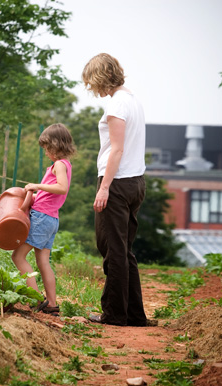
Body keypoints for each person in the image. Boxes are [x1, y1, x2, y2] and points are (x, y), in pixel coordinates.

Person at [81, 53, 156, 327]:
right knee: (124, 250)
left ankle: (114, 314)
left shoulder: (116, 106)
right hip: (136, 182)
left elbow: (117, 149)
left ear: (100, 77)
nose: (92, 89)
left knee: (112, 249)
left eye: (91, 82)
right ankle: (135, 315)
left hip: (118, 182)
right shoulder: (133, 100)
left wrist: (104, 188)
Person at [11, 123, 76, 316]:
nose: (46, 152)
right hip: (51, 219)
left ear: (56, 146)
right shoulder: (65, 165)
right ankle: (52, 304)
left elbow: (62, 188)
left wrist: (36, 186)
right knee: (43, 262)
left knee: (18, 256)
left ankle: (37, 299)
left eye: (47, 148)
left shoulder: (59, 165)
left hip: (42, 218)